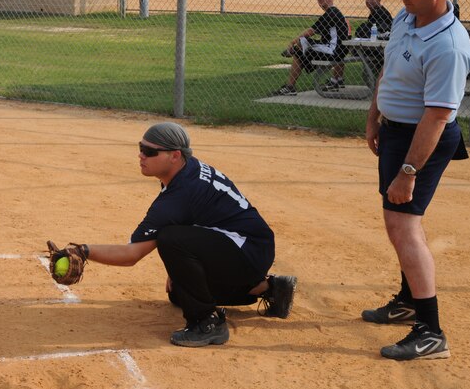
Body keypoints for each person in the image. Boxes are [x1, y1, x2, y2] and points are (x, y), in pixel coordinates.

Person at [54, 122, 296, 348]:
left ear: (175, 155)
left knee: (170, 239)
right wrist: (178, 272)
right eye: (141, 149)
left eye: (149, 151)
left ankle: (207, 323)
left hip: (247, 250)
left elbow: (131, 254)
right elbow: (195, 219)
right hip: (246, 246)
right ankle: (268, 288)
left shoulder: (180, 195)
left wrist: (83, 251)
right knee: (180, 293)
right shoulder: (186, 171)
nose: (141, 155)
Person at [362, 0, 470, 361]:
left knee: (403, 225)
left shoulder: (449, 47)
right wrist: (375, 116)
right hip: (395, 131)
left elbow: (437, 117)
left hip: (421, 141)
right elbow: (389, 70)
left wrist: (408, 171)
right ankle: (409, 300)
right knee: (399, 223)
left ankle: (430, 331)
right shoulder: (407, 17)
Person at [273, 0, 349, 95]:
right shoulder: (333, 12)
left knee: (301, 48)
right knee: (303, 44)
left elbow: (311, 31)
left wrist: (292, 42)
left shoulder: (331, 13)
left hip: (333, 51)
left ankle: (290, 86)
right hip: (334, 49)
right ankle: (295, 52)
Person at [354, 0, 394, 77]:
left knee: (367, 75)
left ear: (379, 0)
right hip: (376, 48)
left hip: (381, 50)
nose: (369, 1)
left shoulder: (381, 13)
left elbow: (373, 31)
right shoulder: (374, 12)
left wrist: (364, 27)